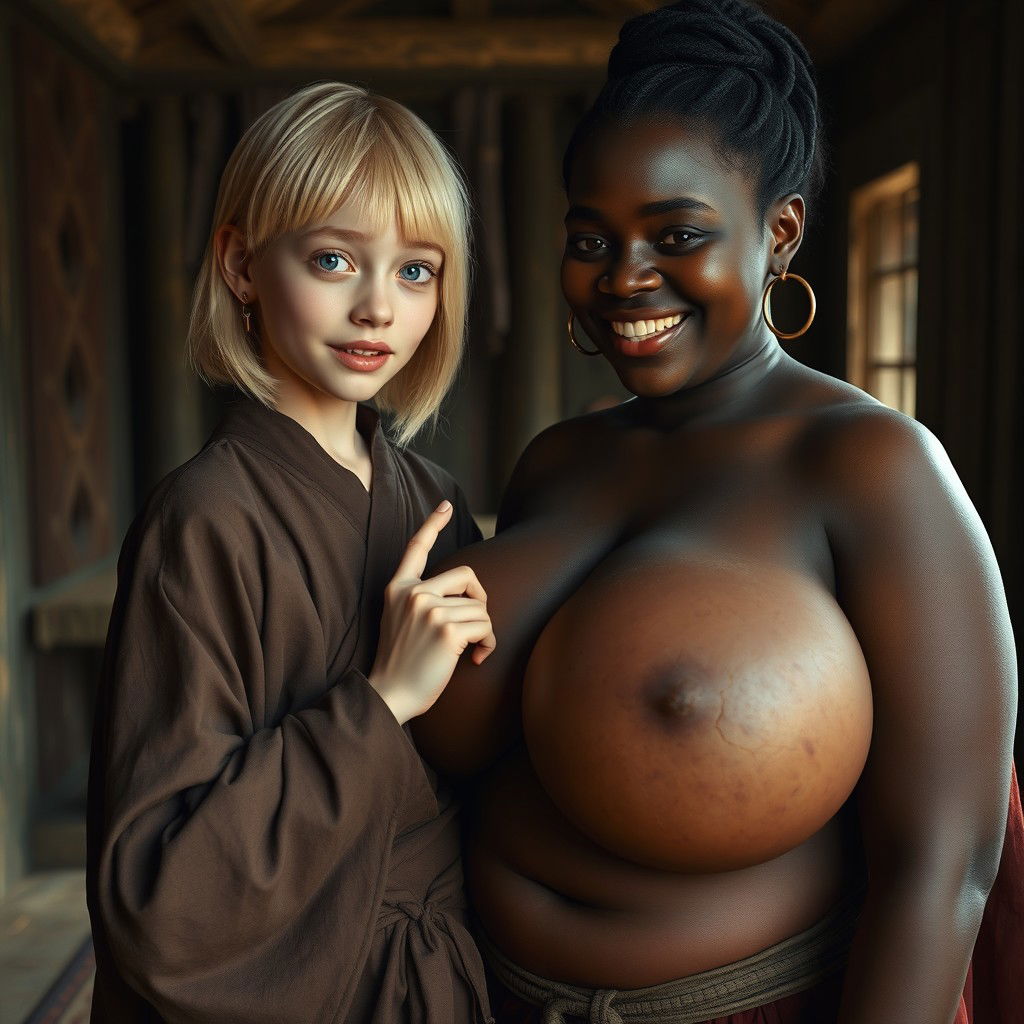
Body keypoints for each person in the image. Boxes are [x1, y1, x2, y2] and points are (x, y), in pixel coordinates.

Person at [411, 2, 1024, 1022]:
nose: (623, 277)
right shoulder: (556, 463)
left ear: (779, 233)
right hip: (477, 994)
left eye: (677, 235)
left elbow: (944, 864)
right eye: (591, 238)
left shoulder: (870, 465)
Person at [87, 81, 497, 1023]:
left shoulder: (431, 500)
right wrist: (381, 703)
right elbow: (164, 899)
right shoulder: (204, 520)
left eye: (416, 270)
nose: (377, 308)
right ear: (240, 264)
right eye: (332, 260)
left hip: (438, 978)